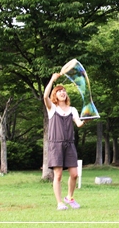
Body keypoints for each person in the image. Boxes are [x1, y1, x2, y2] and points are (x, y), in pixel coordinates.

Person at [44, 73, 87, 210]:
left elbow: (79, 124)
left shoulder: (73, 110)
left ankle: (69, 197)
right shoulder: (52, 109)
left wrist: (87, 117)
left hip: (69, 144)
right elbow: (45, 96)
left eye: (64, 91)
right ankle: (59, 203)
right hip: (56, 144)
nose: (62, 93)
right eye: (59, 91)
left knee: (74, 174)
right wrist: (52, 80)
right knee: (58, 175)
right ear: (55, 96)